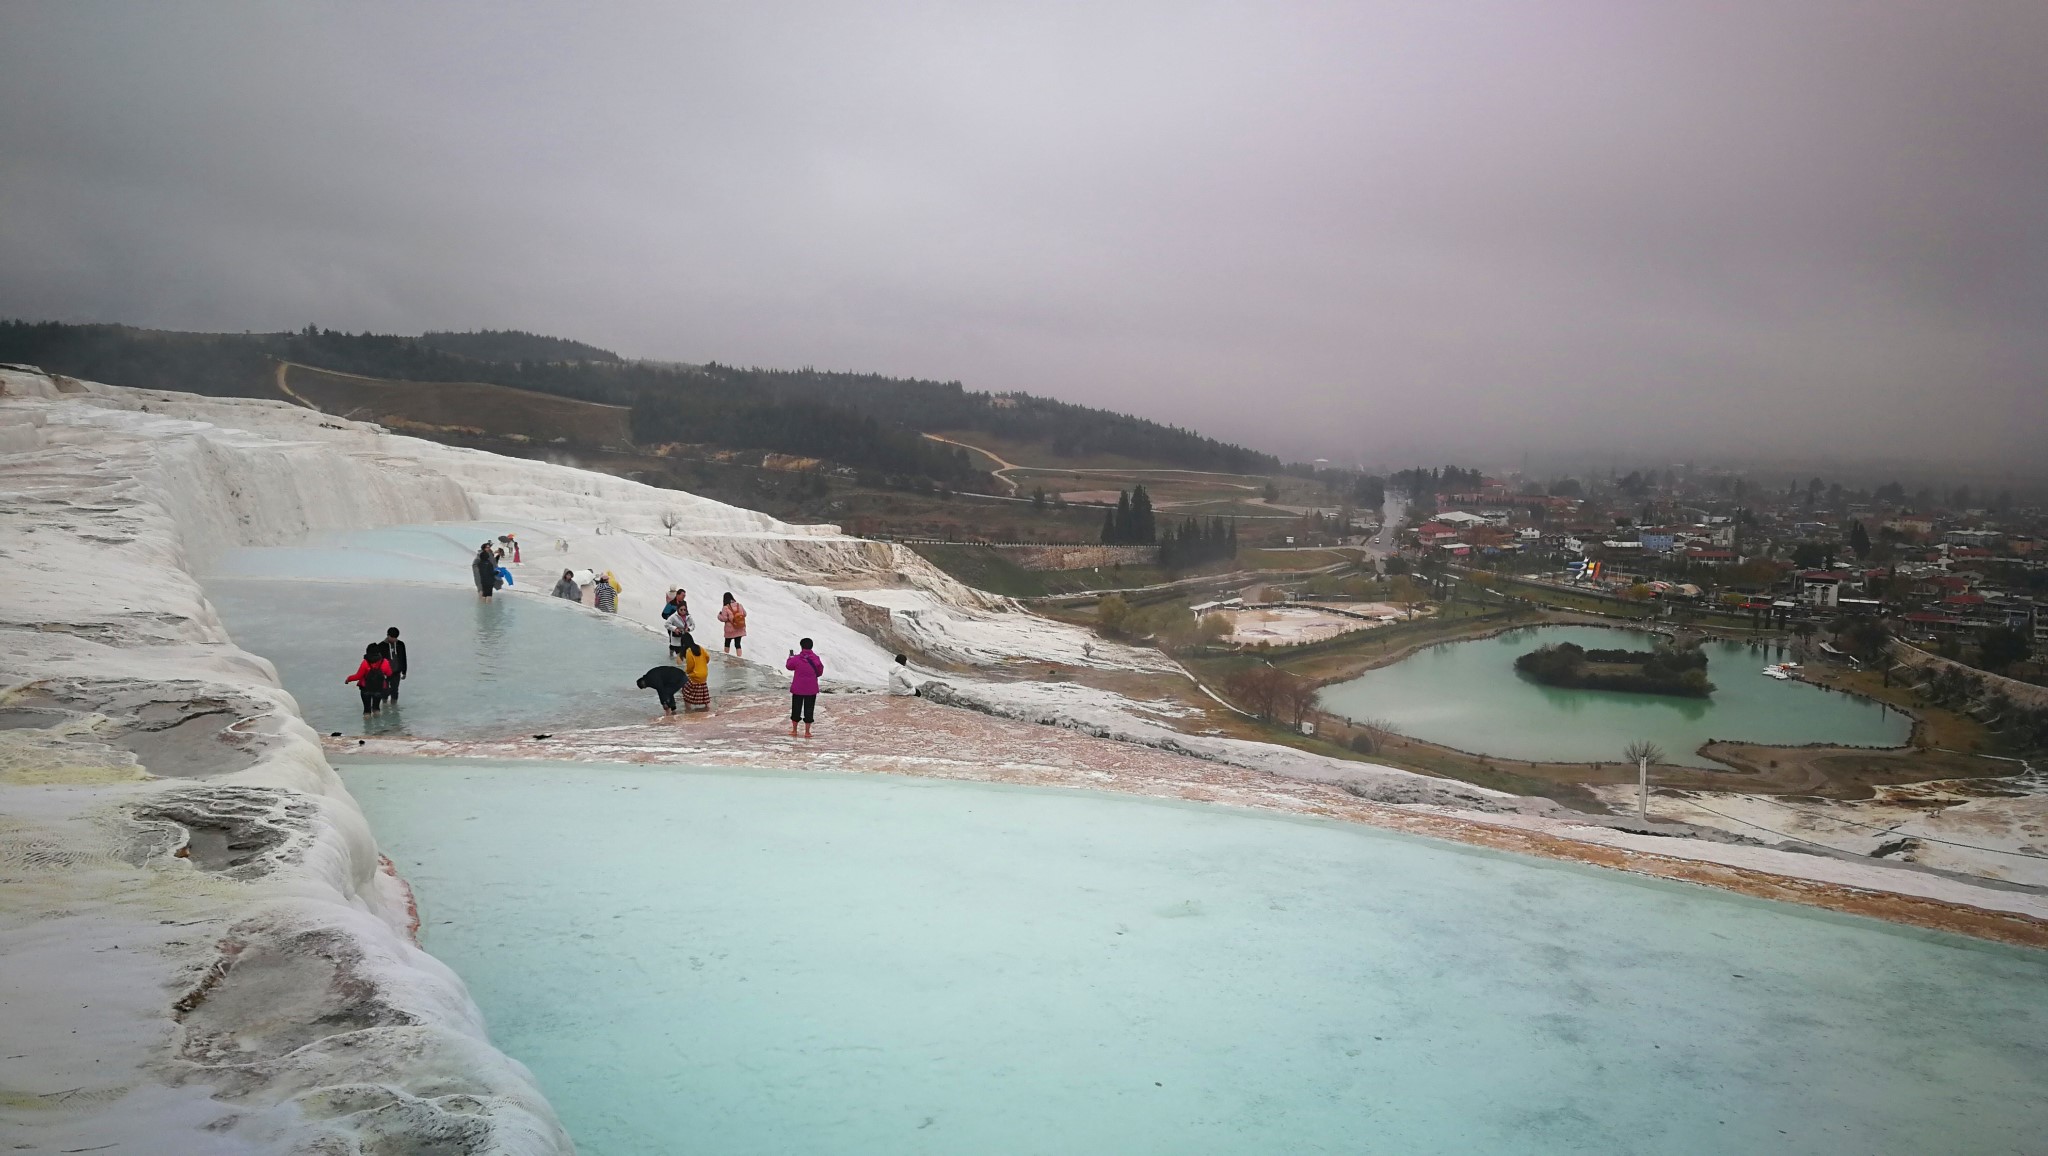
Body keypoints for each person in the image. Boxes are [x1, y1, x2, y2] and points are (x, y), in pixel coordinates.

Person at [786, 638, 823, 737]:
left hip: (798, 688)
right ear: (811, 646)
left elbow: (789, 666)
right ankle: (807, 732)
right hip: (811, 689)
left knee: (796, 709)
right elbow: (819, 672)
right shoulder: (816, 658)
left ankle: (794, 730)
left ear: (801, 646)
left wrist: (790, 657)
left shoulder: (797, 658)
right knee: (809, 709)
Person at [344, 644, 394, 715]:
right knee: (376, 709)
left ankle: (367, 725)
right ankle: (378, 725)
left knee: (367, 710)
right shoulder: (384, 662)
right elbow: (389, 673)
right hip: (379, 688)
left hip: (365, 688)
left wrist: (348, 679)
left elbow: (358, 676)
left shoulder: (365, 662)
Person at [678, 632, 711, 712]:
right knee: (704, 691)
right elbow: (708, 657)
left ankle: (688, 708)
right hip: (704, 675)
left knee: (685, 689)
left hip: (695, 676)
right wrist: (703, 664)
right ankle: (708, 707)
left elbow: (690, 666)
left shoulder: (689, 651)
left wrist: (686, 672)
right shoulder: (700, 647)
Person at [717, 592, 747, 656]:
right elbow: (744, 614)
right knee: (738, 644)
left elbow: (724, 618)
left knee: (727, 643)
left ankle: (726, 655)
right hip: (740, 627)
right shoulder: (739, 605)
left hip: (730, 628)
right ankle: (739, 657)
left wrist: (719, 615)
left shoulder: (725, 607)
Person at [383, 627, 408, 702]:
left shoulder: (400, 644)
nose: (394, 639)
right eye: (392, 637)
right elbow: (379, 661)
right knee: (384, 691)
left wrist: (404, 671)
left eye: (396, 638)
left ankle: (394, 708)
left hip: (396, 671)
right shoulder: (382, 645)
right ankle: (384, 706)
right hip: (385, 673)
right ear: (388, 635)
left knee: (395, 691)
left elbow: (403, 657)